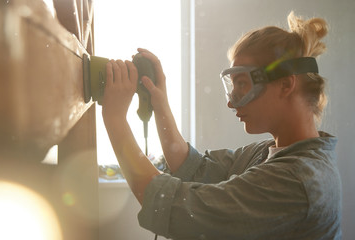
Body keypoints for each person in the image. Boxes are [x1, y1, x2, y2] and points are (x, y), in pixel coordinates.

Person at [102, 11, 342, 240]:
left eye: (242, 83)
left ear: (285, 85)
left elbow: (179, 210)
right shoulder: (268, 152)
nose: (231, 101)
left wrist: (115, 120)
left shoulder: (297, 181)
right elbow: (193, 166)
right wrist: (160, 102)